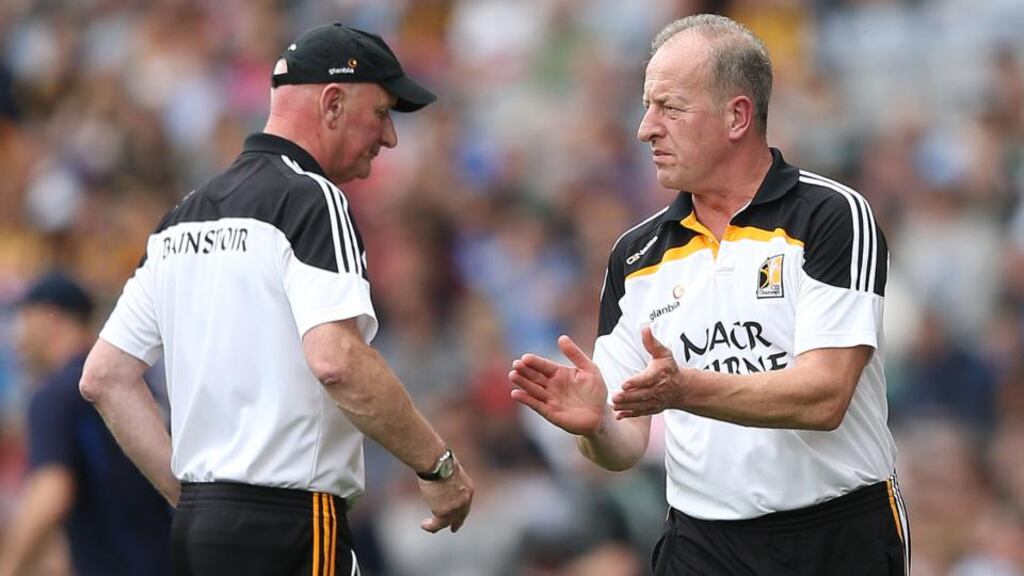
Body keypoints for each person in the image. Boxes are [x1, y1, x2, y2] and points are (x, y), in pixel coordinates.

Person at [509, 14, 910, 576]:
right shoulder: (635, 254)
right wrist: (596, 422)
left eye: (670, 108)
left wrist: (684, 389)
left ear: (737, 116)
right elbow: (625, 444)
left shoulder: (833, 216)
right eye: (648, 106)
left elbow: (824, 397)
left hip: (838, 533)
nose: (645, 128)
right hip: (702, 542)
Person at [79, 23, 473, 576]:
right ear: (332, 103)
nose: (390, 138)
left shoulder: (184, 214)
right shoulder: (313, 199)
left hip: (199, 530)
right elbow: (337, 362)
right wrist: (438, 467)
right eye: (383, 112)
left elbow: (105, 376)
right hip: (293, 521)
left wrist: (195, 500)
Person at [0, 271, 172, 576]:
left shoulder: (56, 394)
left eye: (25, 317)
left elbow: (51, 493)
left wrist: (9, 567)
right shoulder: (133, 384)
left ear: (50, 318)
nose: (18, 336)